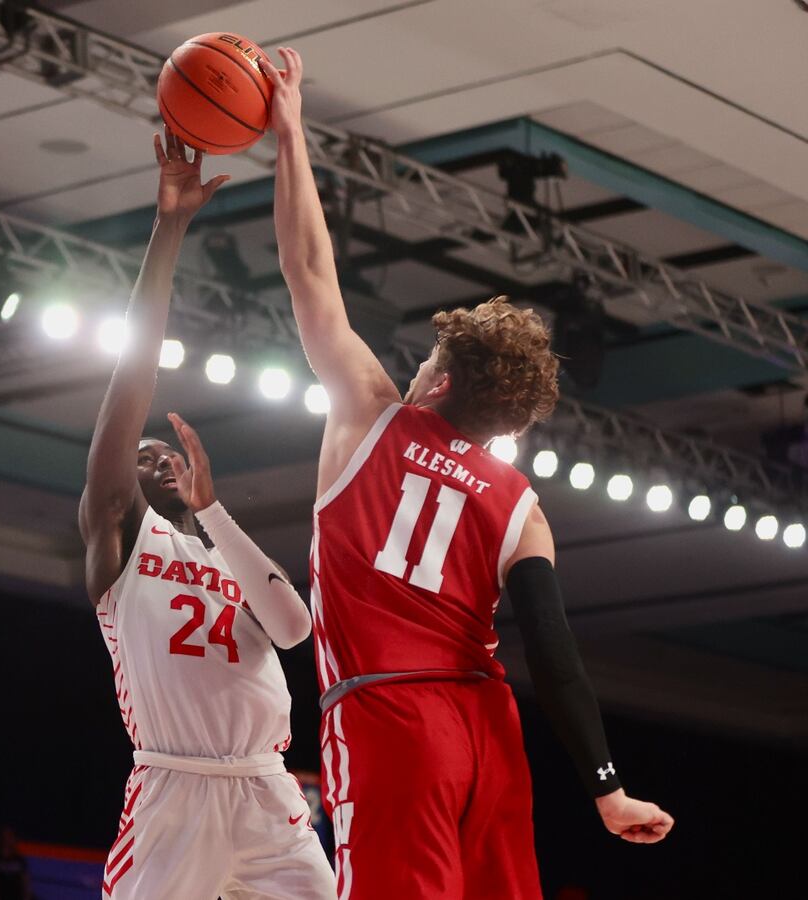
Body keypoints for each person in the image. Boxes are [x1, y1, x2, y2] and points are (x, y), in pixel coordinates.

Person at [261, 45, 674, 900]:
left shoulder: (369, 414)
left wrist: (291, 131)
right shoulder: (522, 506)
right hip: (489, 732)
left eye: (426, 361)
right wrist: (607, 787)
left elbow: (309, 273)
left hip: (389, 720)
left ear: (440, 382)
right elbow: (555, 653)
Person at [77, 130, 334, 900]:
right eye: (143, 454)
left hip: (267, 789)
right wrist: (169, 228)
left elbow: (294, 631)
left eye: (169, 453)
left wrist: (215, 509)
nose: (156, 458)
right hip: (175, 787)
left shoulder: (227, 551)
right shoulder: (119, 536)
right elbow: (132, 387)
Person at [0, 827, 28, 900]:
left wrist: (26, 897)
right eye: (5, 836)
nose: (7, 839)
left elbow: (25, 881)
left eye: (10, 836)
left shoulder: (20, 860)